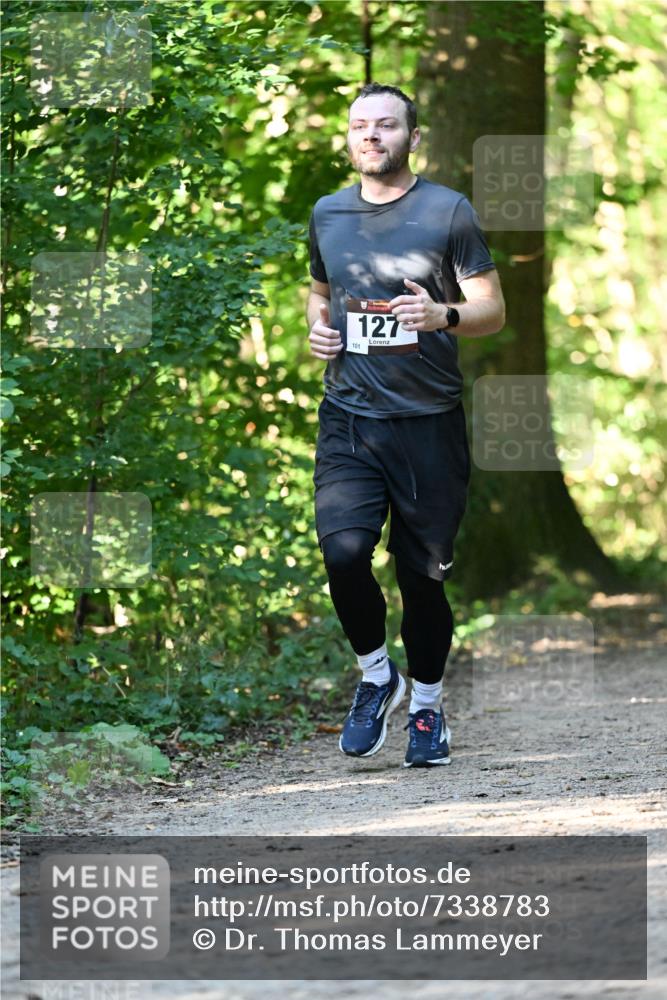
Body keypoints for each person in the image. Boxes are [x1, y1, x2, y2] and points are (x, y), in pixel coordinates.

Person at [306, 83, 505, 767]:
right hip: (349, 419)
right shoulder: (328, 213)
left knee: (421, 580)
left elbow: (491, 309)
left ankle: (425, 707)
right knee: (341, 552)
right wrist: (316, 330)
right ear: (349, 136)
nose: (371, 136)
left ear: (411, 137)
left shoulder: (447, 211)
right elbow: (320, 292)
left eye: (385, 126)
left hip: (427, 425)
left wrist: (441, 316)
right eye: (360, 126)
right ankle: (374, 677)